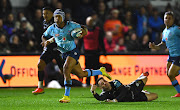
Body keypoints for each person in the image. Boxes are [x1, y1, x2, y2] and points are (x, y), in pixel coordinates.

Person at [44, 9, 112, 103]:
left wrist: (83, 33)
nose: (57, 18)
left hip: (73, 51)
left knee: (66, 68)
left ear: (63, 17)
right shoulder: (52, 28)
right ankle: (100, 71)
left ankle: (66, 96)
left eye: (59, 16)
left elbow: (85, 28)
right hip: (64, 53)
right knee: (81, 74)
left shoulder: (71, 25)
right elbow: (45, 36)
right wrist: (46, 41)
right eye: (55, 16)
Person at [32, 7, 63, 95]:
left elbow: (58, 35)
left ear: (52, 14)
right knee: (40, 65)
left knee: (64, 71)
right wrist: (44, 41)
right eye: (43, 14)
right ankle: (40, 87)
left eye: (47, 13)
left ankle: (68, 89)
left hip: (58, 49)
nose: (45, 15)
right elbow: (43, 35)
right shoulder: (44, 23)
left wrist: (48, 41)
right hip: (49, 49)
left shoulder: (57, 23)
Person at [149, 11, 180, 97]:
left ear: (173, 20)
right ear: (163, 19)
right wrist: (154, 47)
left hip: (178, 55)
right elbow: (162, 45)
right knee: (170, 75)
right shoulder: (164, 31)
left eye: (170, 18)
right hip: (171, 56)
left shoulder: (176, 29)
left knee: (171, 74)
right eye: (166, 18)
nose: (168, 20)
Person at [90, 72, 158, 102]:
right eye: (102, 84)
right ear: (101, 88)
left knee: (145, 78)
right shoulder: (106, 93)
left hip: (132, 89)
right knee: (155, 96)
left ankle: (141, 76)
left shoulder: (115, 82)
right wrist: (93, 92)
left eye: (104, 81)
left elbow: (123, 91)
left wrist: (115, 100)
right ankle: (143, 92)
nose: (104, 83)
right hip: (134, 98)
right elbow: (100, 98)